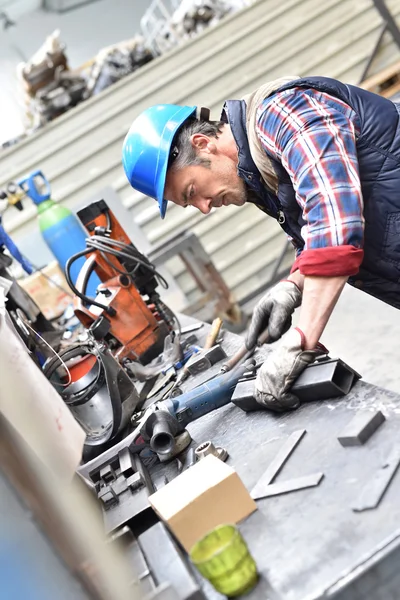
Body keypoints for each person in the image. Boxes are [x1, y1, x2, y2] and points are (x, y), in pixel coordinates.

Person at [121, 75, 400, 412]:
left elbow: (334, 219)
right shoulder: (257, 174)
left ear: (202, 143)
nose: (205, 208)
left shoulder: (283, 114)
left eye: (192, 192)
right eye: (190, 204)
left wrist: (300, 340)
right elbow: (313, 231)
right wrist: (292, 285)